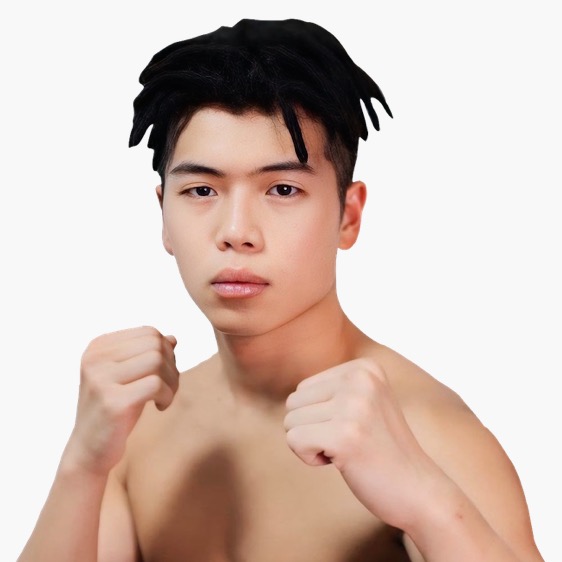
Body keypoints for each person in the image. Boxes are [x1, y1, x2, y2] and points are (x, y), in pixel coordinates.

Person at [17, 18, 545, 562]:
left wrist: (428, 503)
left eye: (283, 189)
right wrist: (82, 465)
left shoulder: (430, 435)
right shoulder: (137, 424)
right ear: (163, 217)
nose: (236, 231)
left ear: (348, 215)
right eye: (201, 190)